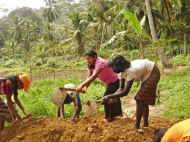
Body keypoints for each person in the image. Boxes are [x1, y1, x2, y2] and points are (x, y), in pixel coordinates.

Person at [103, 55, 160, 131]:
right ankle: (145, 125)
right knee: (143, 100)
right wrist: (112, 97)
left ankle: (137, 126)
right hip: (146, 74)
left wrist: (109, 96)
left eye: (113, 67)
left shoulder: (131, 70)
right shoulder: (122, 71)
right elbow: (121, 88)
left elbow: (125, 92)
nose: (112, 69)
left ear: (119, 66)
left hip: (153, 72)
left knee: (139, 99)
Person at [76, 50, 122, 121]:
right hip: (108, 82)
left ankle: (108, 118)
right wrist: (85, 87)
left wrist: (81, 85)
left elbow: (94, 76)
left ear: (94, 57)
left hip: (115, 81)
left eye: (88, 58)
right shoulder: (90, 64)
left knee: (106, 97)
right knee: (114, 97)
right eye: (86, 59)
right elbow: (89, 76)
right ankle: (118, 115)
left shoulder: (100, 62)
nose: (87, 60)